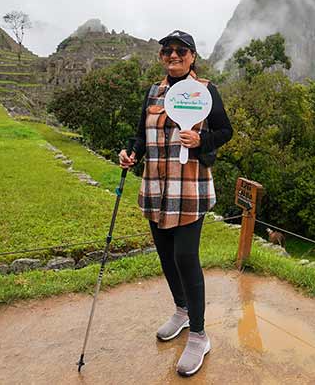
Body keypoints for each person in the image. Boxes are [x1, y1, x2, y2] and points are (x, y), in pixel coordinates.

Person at [119, 29, 232, 377]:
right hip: (156, 188)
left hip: (189, 190)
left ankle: (198, 334)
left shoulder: (205, 90)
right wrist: (131, 153)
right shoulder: (153, 92)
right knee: (166, 257)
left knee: (185, 257)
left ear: (192, 56)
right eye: (167, 51)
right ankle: (181, 311)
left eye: (181, 51)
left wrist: (200, 139)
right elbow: (141, 133)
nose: (173, 55)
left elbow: (225, 131)